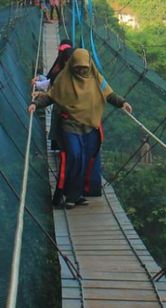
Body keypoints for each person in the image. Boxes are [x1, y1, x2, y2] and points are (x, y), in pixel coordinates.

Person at [29, 49, 132, 208]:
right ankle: (69, 195)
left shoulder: (96, 77)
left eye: (85, 68)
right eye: (78, 68)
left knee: (85, 159)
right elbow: (51, 96)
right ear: (72, 66)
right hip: (69, 124)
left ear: (90, 65)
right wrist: (36, 104)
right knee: (75, 156)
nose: (82, 71)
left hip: (90, 125)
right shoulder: (63, 79)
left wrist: (122, 103)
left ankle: (75, 195)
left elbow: (109, 94)